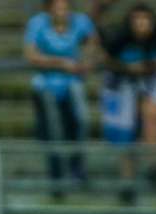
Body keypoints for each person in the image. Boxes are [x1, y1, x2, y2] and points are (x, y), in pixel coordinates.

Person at [95, 2, 156, 204]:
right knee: (125, 134)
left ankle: (154, 166)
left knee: (153, 117)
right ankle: (127, 180)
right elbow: (106, 58)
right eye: (137, 20)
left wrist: (151, 66)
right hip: (121, 86)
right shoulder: (120, 40)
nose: (142, 24)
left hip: (148, 84)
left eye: (145, 20)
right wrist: (127, 68)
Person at [24, 0, 98, 198]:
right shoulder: (37, 23)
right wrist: (61, 63)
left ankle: (77, 169)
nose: (61, 10)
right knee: (54, 132)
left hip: (73, 85)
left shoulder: (81, 22)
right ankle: (56, 178)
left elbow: (92, 43)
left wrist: (86, 62)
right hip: (46, 86)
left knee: (82, 122)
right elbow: (31, 55)